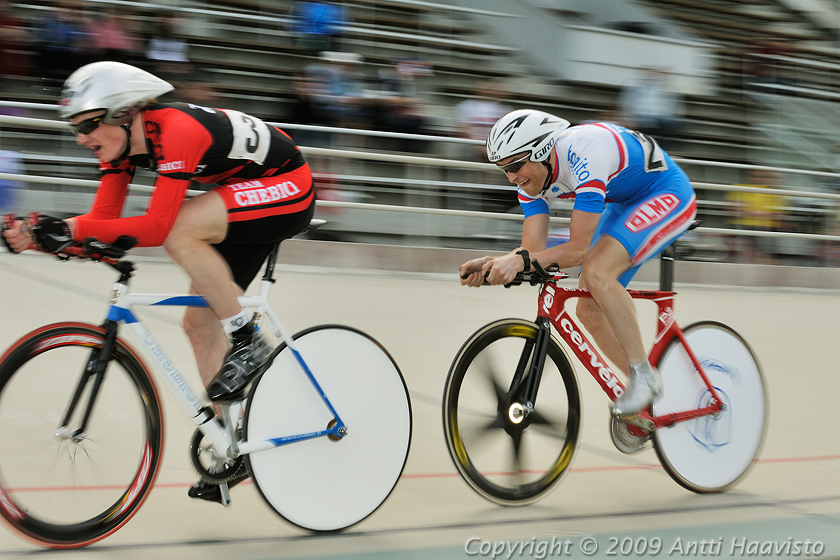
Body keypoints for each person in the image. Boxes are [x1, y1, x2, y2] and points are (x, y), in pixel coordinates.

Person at [1, 61, 316, 501]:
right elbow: (103, 223)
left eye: (88, 125)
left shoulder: (176, 129)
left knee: (180, 230)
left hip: (286, 188)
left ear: (124, 113)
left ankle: (249, 339)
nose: (81, 138)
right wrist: (38, 237)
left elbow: (155, 227)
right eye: (76, 128)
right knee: (198, 325)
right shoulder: (124, 151)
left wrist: (71, 229)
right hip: (239, 201)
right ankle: (232, 448)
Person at [459, 109, 697, 417]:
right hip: (622, 200)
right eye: (503, 169)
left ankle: (643, 376)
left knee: (597, 273)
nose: (511, 177)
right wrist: (497, 264)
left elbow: (578, 250)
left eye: (516, 166)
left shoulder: (585, 152)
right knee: (588, 308)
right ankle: (648, 395)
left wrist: (518, 261)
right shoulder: (529, 180)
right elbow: (532, 251)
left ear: (542, 151)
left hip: (665, 192)